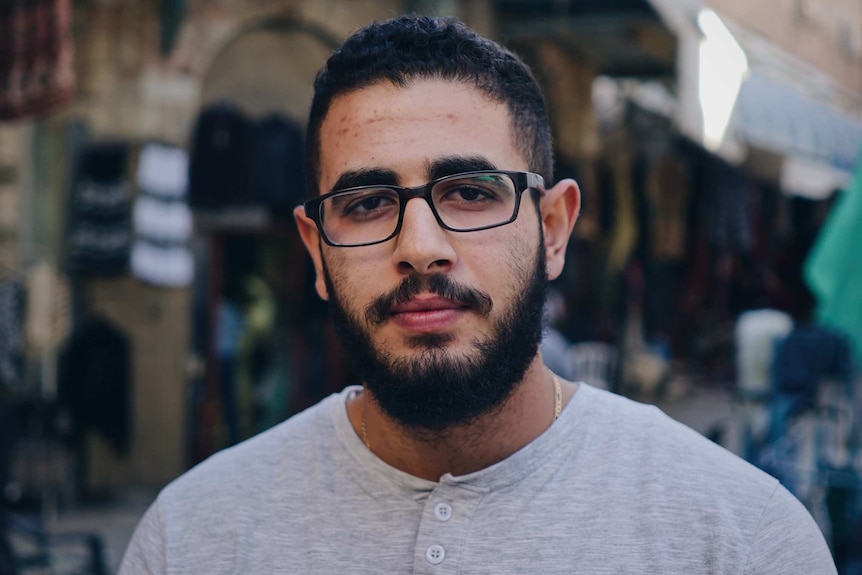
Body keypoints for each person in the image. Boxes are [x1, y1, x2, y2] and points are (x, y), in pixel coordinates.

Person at [119, 15, 837, 574]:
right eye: (367, 202)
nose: (420, 246)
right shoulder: (193, 537)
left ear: (553, 229)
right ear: (315, 247)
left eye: (468, 192)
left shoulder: (739, 538)